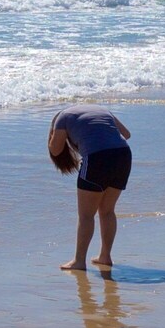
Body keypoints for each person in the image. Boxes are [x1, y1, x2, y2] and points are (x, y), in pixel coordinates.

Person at [50, 105, 133, 271]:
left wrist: (54, 135)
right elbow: (127, 134)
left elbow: (56, 149)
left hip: (97, 158)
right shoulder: (102, 110)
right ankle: (105, 256)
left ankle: (79, 261)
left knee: (86, 215)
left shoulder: (62, 117)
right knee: (107, 211)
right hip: (123, 155)